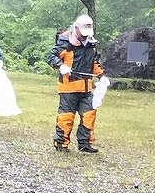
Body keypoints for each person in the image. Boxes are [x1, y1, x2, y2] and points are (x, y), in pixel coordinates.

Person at [46, 14, 110, 153]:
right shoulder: (65, 42)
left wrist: (101, 76)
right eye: (83, 33)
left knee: (89, 114)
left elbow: (94, 62)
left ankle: (85, 143)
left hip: (86, 87)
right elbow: (50, 57)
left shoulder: (91, 44)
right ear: (76, 28)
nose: (85, 36)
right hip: (68, 88)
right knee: (66, 116)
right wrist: (61, 66)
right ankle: (61, 144)